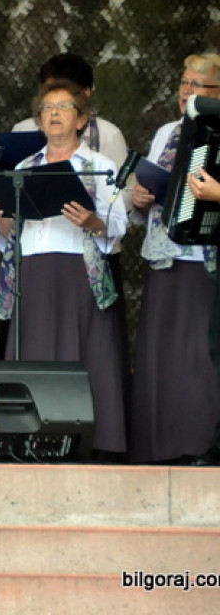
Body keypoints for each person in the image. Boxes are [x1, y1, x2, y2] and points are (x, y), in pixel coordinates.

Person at [0, 79, 128, 457]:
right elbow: (10, 235)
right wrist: (2, 219)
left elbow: (118, 227)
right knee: (34, 349)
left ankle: (90, 441)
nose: (53, 113)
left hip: (78, 272)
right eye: (47, 108)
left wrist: (91, 220)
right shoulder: (24, 166)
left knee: (84, 353)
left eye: (64, 107)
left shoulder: (99, 166)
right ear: (39, 120)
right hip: (32, 270)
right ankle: (27, 438)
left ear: (82, 119)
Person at [129, 53, 220, 464]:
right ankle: (157, 447)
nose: (187, 92)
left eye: (197, 85)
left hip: (205, 257)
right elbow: (148, 192)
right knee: (161, 352)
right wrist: (140, 196)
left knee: (199, 353)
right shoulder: (167, 130)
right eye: (184, 83)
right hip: (166, 254)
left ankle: (199, 443)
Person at [12, 52, 129, 169]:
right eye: (48, 104)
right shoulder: (22, 137)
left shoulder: (108, 139)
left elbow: (125, 186)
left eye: (64, 104)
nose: (54, 112)